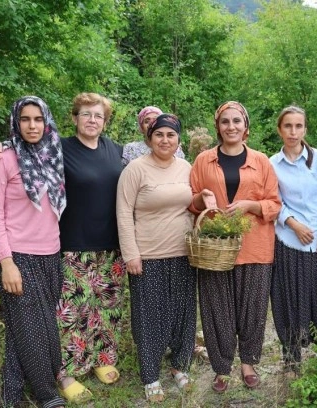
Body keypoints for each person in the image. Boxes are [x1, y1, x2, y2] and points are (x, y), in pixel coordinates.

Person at [0, 93, 126, 403]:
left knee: (104, 308)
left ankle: (101, 359)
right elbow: (20, 152)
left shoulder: (114, 151)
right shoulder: (57, 148)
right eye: (85, 114)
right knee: (69, 313)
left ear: (106, 121)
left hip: (103, 245)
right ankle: (62, 375)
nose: (92, 120)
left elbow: (150, 156)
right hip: (66, 244)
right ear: (73, 118)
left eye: (98, 115)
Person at [189, 101, 281, 393]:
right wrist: (201, 200)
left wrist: (250, 205)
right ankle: (221, 368)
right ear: (218, 126)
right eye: (225, 121)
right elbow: (191, 201)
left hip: (255, 247)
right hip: (215, 249)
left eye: (237, 121)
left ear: (246, 127)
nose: (231, 126)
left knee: (253, 309)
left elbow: (274, 204)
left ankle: (249, 363)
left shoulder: (261, 161)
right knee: (217, 310)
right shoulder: (203, 161)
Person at [0, 95, 66, 408]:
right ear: (15, 122)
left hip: (51, 253)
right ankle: (47, 395)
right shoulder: (3, 158)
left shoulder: (53, 153)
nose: (32, 126)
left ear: (46, 121)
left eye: (38, 119)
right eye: (25, 119)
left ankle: (8, 396)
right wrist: (6, 262)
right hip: (17, 256)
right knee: (33, 331)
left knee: (29, 329)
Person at [116, 114, 197, 403]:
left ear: (178, 140)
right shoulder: (135, 169)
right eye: (159, 134)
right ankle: (150, 376)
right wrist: (131, 254)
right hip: (147, 255)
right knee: (149, 317)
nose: (165, 140)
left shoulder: (186, 167)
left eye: (170, 135)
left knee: (183, 313)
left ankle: (180, 366)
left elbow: (194, 205)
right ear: (149, 138)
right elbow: (123, 212)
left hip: (183, 253)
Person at [269, 106, 317, 378]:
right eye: (288, 126)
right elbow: (275, 201)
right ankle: (291, 360)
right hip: (289, 240)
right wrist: (293, 224)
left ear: (305, 129)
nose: (293, 132)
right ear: (280, 130)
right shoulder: (272, 164)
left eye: (298, 126)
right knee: (291, 301)